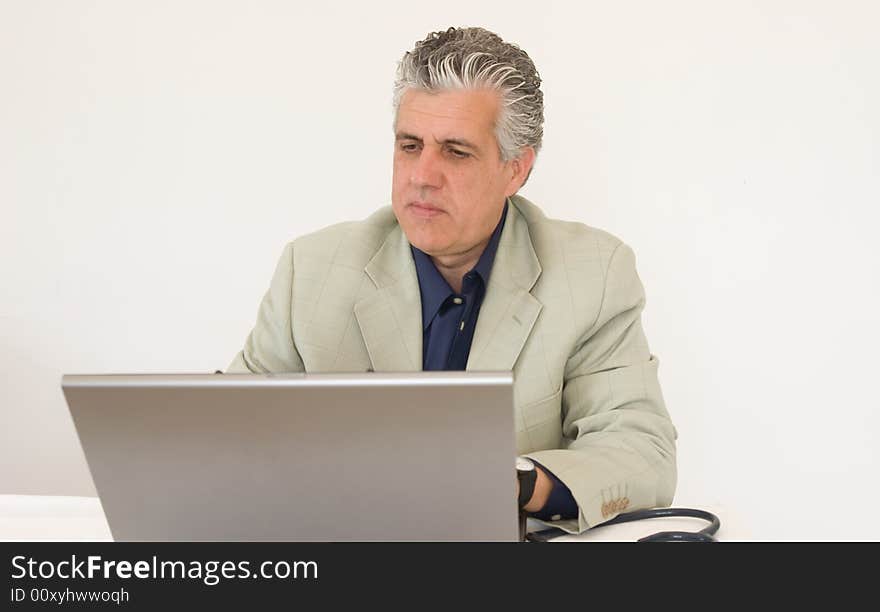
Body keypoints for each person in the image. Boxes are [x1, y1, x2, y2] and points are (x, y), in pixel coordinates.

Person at [227, 26, 677, 535]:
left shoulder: (592, 273)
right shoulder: (310, 270)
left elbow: (642, 450)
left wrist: (516, 482)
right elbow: (228, 430)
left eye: (456, 151)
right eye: (410, 145)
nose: (422, 175)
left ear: (516, 170)